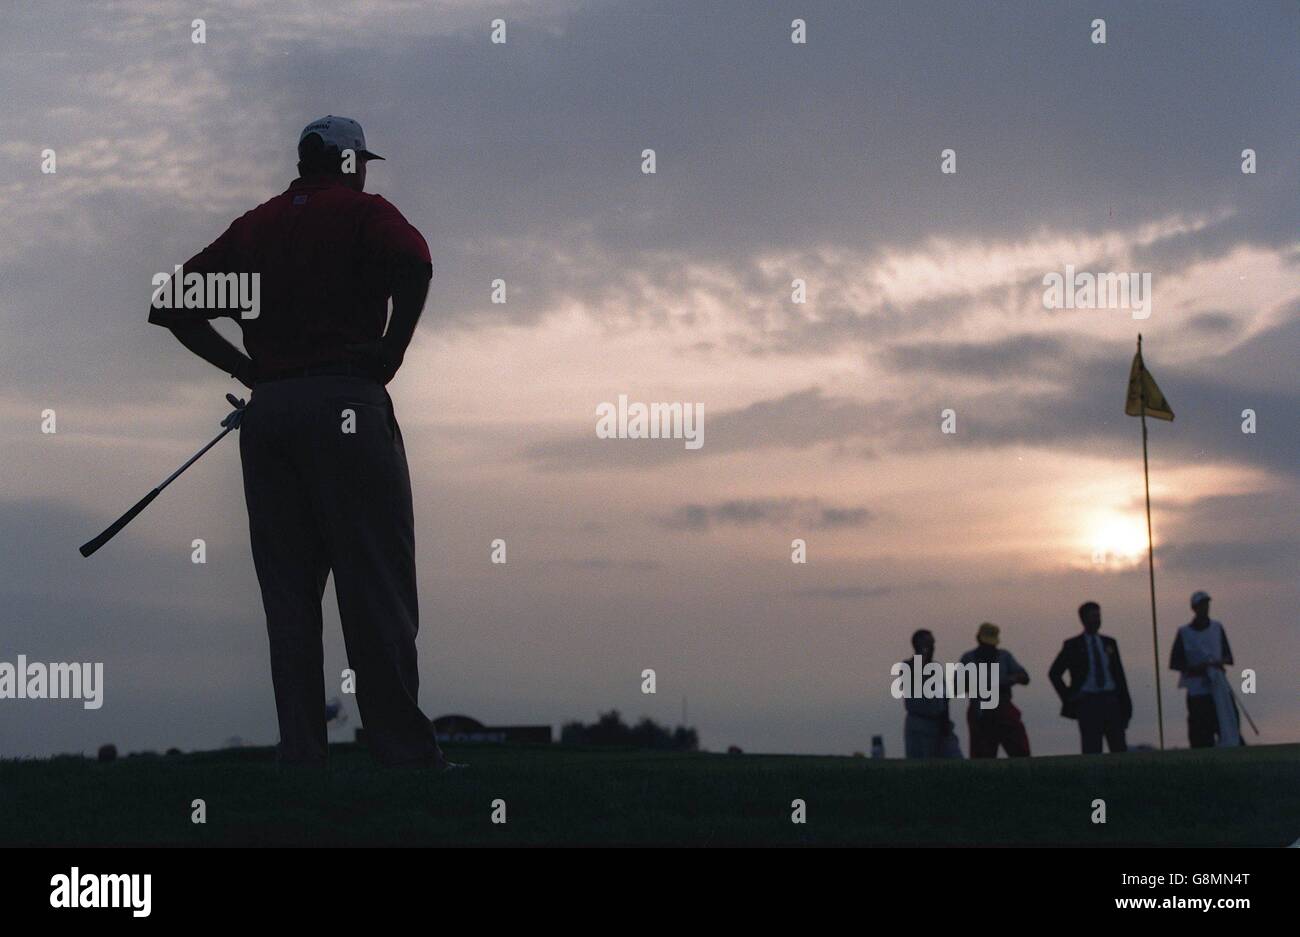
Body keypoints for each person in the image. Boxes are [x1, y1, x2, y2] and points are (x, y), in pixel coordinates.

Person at [148, 116, 456, 769]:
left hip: (271, 412)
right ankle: (403, 755)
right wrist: (392, 351)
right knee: (375, 584)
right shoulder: (363, 212)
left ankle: (301, 756)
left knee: (288, 595)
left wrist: (244, 368)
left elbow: (171, 303)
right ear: (349, 162)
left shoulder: (256, 226)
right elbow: (416, 263)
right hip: (346, 399)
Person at [1048, 602, 1131, 753]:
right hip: (1088, 702)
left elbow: (1119, 675)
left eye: (1099, 616)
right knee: (1092, 748)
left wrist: (1126, 706)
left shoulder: (1109, 643)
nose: (1097, 620)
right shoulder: (1072, 645)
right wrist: (1069, 696)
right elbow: (1054, 673)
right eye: (1093, 616)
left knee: (1118, 746)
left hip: (1111, 700)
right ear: (1083, 619)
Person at [1170, 590, 1241, 748]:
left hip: (1218, 688)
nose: (1205, 608)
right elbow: (1175, 663)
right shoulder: (1184, 633)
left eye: (1206, 605)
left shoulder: (1217, 628)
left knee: (1228, 723)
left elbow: (1229, 657)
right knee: (1200, 734)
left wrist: (1216, 664)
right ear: (1194, 608)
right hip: (1197, 692)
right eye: (1201, 605)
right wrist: (1196, 668)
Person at [960, 622, 1031, 758]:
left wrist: (1009, 680)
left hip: (1003, 706)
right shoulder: (968, 659)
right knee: (982, 755)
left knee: (1020, 749)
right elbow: (957, 686)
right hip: (979, 708)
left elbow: (1025, 677)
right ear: (978, 639)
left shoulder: (1004, 656)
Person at [901, 629, 962, 759]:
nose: (932, 648)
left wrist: (945, 722)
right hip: (918, 725)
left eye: (933, 644)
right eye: (928, 644)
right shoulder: (908, 666)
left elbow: (944, 698)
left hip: (939, 724)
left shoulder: (936, 668)